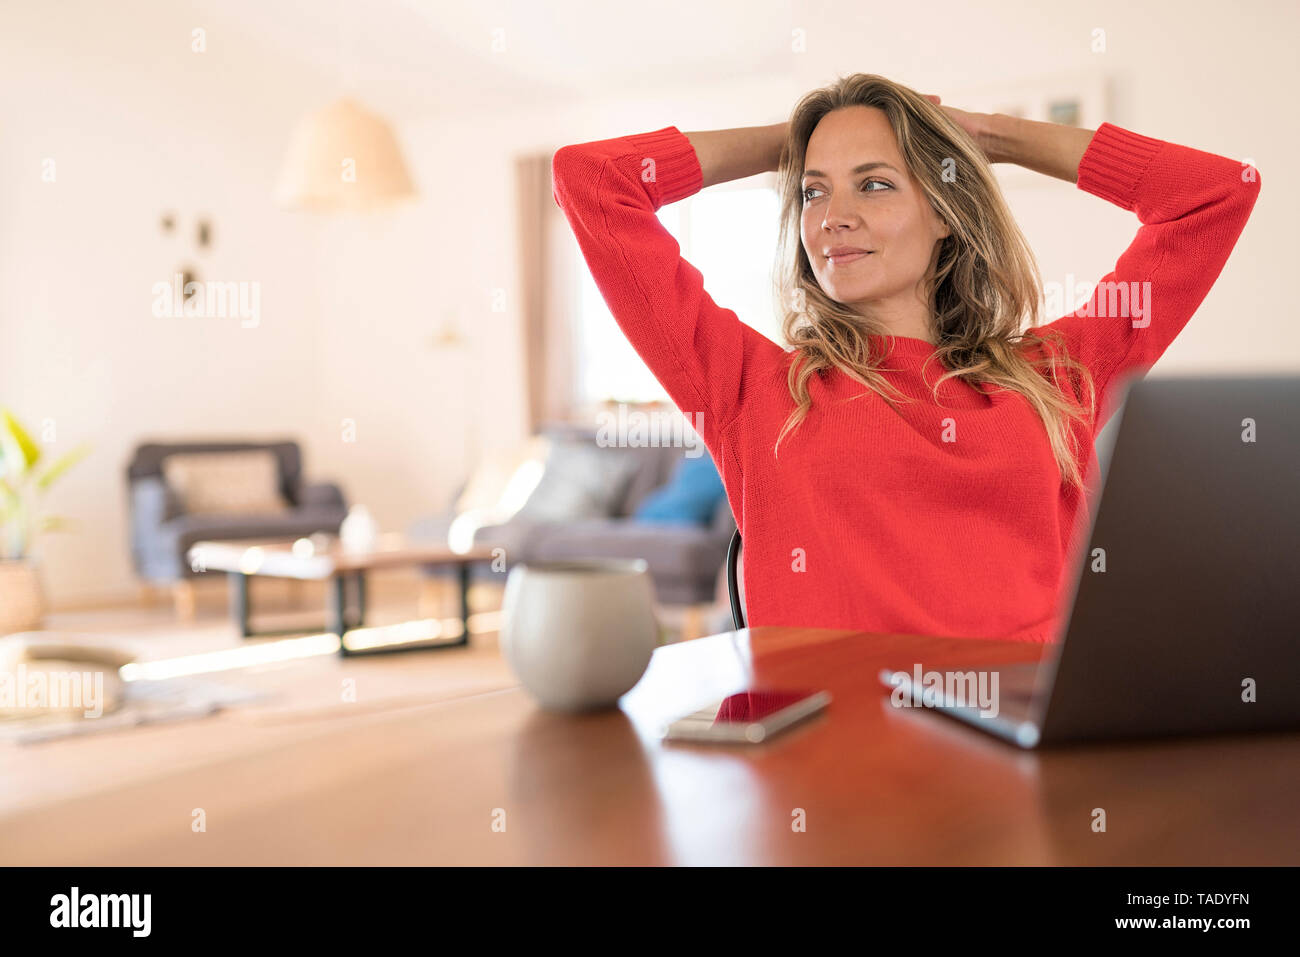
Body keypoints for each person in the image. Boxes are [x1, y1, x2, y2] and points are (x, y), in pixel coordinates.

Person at [550, 73, 1261, 642]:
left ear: (946, 212)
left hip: (1025, 760)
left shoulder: (1056, 375)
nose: (833, 215)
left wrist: (988, 135)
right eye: (813, 190)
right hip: (836, 776)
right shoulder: (750, 385)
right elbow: (593, 180)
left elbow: (1215, 194)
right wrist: (788, 140)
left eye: (876, 182)